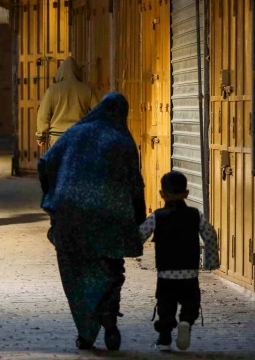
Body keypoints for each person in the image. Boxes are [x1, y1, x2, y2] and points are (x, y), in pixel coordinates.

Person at [39, 92, 146, 351]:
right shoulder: (122, 140)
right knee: (110, 268)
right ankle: (109, 316)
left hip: (70, 213)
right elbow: (134, 183)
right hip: (109, 215)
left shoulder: (74, 133)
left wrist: (52, 195)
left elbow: (45, 162)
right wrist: (137, 218)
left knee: (75, 270)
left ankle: (84, 332)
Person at [139, 171, 220, 351]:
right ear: (186, 194)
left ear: (162, 194)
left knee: (165, 307)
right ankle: (185, 322)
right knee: (190, 303)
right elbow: (210, 236)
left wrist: (132, 250)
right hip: (189, 272)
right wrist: (211, 262)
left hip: (165, 273)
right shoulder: (195, 215)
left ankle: (165, 340)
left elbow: (140, 235)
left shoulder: (157, 217)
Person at [35, 56, 100, 149]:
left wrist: (41, 136)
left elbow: (43, 115)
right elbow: (98, 112)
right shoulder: (87, 90)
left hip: (57, 139)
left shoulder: (52, 90)